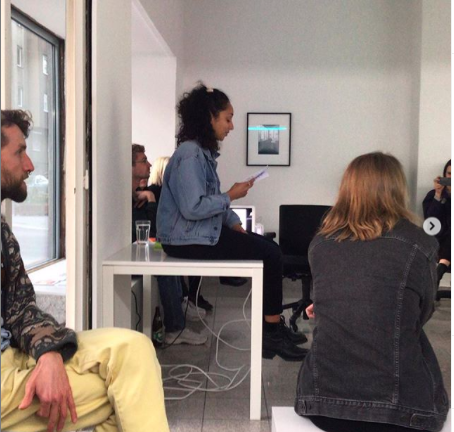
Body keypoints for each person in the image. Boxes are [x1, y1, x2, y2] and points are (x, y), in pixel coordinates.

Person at [1, 110, 169, 432]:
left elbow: (21, 307)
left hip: (14, 351)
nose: (30, 165)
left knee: (134, 350)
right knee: (124, 393)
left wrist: (48, 352)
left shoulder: (1, 230)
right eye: (20, 152)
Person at [295, 152, 448, 432]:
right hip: (402, 413)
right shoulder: (420, 244)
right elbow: (422, 312)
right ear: (397, 190)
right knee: (406, 330)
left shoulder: (320, 244)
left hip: (323, 406)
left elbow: (330, 296)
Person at [156, 83, 307, 361]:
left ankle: (273, 329)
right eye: (228, 119)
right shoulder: (190, 154)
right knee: (271, 254)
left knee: (270, 249)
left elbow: (211, 200)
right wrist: (231, 195)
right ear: (209, 118)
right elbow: (193, 207)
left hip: (194, 235)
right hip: (185, 240)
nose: (232, 126)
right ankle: (271, 334)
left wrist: (234, 222)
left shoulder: (200, 154)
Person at [132, 145, 206, 345]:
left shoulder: (141, 193)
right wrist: (151, 199)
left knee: (172, 255)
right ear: (130, 166)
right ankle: (175, 327)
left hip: (146, 248)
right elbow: (154, 229)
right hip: (135, 254)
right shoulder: (132, 197)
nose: (149, 164)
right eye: (143, 161)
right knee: (166, 266)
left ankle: (181, 306)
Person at [423, 159, 451, 284]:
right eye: (449, 173)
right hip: (439, 239)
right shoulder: (432, 195)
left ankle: (441, 267)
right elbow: (431, 221)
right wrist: (438, 194)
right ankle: (443, 265)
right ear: (444, 175)